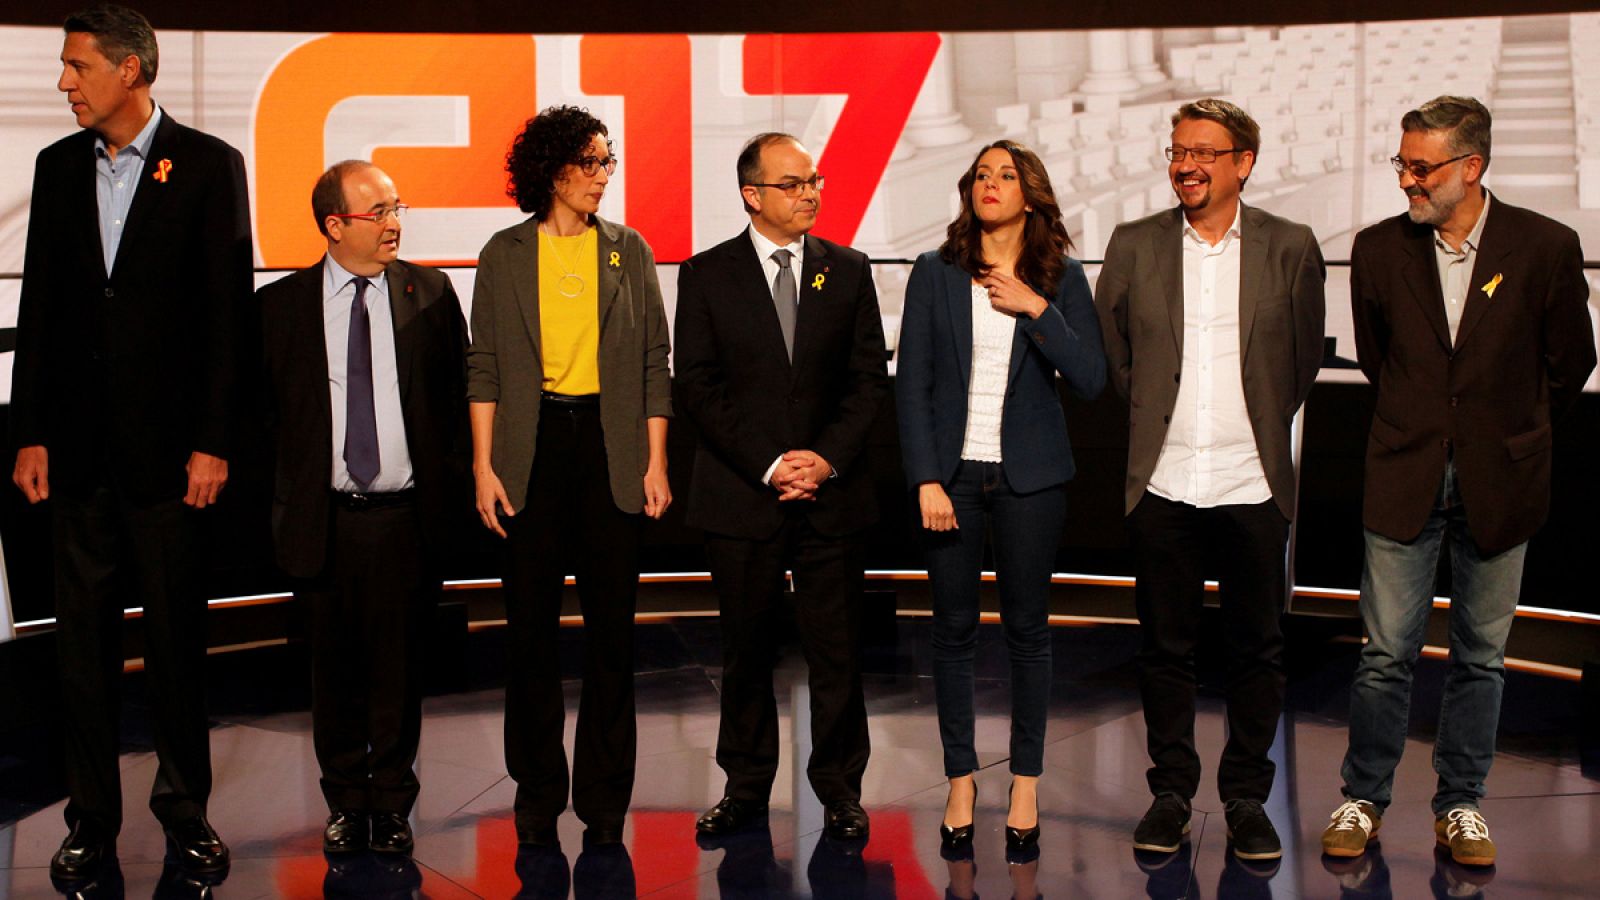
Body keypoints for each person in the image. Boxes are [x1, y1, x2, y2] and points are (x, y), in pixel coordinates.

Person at [9, 3, 251, 883]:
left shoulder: (210, 166)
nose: (63, 83)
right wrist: (29, 431)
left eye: (78, 66)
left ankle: (185, 812)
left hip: (172, 463)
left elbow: (227, 317)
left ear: (130, 70)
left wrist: (214, 441)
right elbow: (40, 308)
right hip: (76, 459)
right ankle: (91, 822)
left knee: (178, 647)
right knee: (82, 655)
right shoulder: (56, 167)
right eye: (65, 66)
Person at [1320, 96, 1596, 868]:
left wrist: (1505, 430)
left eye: (1422, 167)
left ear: (1470, 167)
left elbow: (1571, 362)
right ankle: (1363, 797)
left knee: (1481, 657)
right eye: (1402, 163)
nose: (1406, 180)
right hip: (1402, 472)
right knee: (1385, 653)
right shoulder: (1378, 250)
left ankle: (1461, 804)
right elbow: (1382, 360)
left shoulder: (1544, 245)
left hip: (1503, 480)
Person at [1095, 98, 1326, 861]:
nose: (1185, 165)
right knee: (1165, 648)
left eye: (1202, 152)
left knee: (1257, 649)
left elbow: (1300, 364)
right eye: (1177, 151)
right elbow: (1117, 356)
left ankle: (1247, 798)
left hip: (1251, 484)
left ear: (1243, 163)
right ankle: (1170, 792)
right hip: (1163, 484)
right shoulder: (1133, 243)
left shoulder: (1291, 246)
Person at [467, 105, 672, 850]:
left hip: (611, 451)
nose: (602, 175)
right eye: (590, 161)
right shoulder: (505, 253)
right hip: (532, 451)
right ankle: (537, 790)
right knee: (530, 636)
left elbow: (654, 362)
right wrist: (483, 465)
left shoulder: (628, 249)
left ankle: (606, 797)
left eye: (607, 160)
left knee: (612, 637)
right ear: (553, 170)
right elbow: (484, 367)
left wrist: (655, 461)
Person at [894, 140, 1105, 853]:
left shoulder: (1060, 276)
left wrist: (1036, 307)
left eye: (1006, 175)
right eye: (982, 174)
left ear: (1030, 193)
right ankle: (961, 779)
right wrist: (926, 477)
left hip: (1030, 480)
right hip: (952, 479)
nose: (991, 184)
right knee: (951, 631)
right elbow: (912, 382)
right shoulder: (936, 271)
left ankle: (1025, 782)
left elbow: (1091, 378)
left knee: (1028, 632)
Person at [676, 133, 888, 843]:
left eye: (814, 181)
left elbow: (867, 381)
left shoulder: (848, 270)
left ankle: (840, 790)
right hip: (743, 496)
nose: (810, 194)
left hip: (832, 497)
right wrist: (771, 464)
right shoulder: (707, 274)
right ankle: (744, 788)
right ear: (752, 194)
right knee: (746, 652)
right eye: (793, 183)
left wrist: (823, 461)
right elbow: (698, 386)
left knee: (837, 653)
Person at [258, 160, 469, 857]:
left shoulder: (431, 293)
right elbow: (266, 416)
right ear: (333, 225)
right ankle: (346, 802)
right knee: (333, 671)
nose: (394, 223)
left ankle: (394, 800)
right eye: (377, 212)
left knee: (400, 669)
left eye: (396, 207)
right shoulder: (281, 306)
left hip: (406, 518)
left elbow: (457, 401)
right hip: (323, 518)